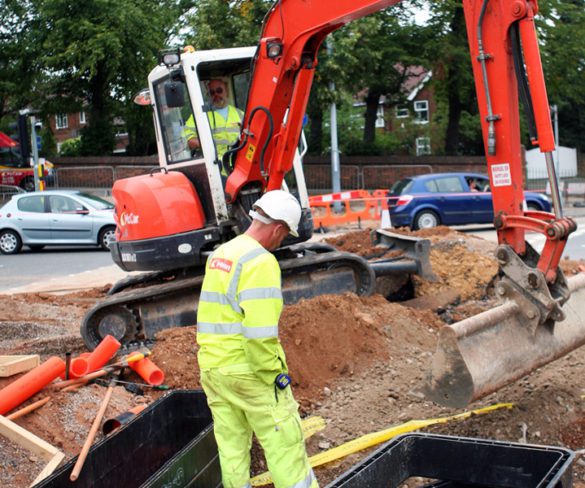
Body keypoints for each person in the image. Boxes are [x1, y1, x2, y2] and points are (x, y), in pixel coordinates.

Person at [196, 190, 318, 488]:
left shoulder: (221, 254)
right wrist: (273, 376)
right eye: (284, 235)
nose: (281, 241)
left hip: (213, 369)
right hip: (249, 373)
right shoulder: (260, 262)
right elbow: (259, 334)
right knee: (285, 445)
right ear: (277, 228)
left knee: (232, 448)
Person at [183, 78, 244, 171]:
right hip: (216, 169)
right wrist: (207, 143)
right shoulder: (200, 116)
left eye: (219, 91)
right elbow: (189, 140)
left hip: (240, 167)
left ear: (226, 91)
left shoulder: (240, 114)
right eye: (212, 92)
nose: (216, 95)